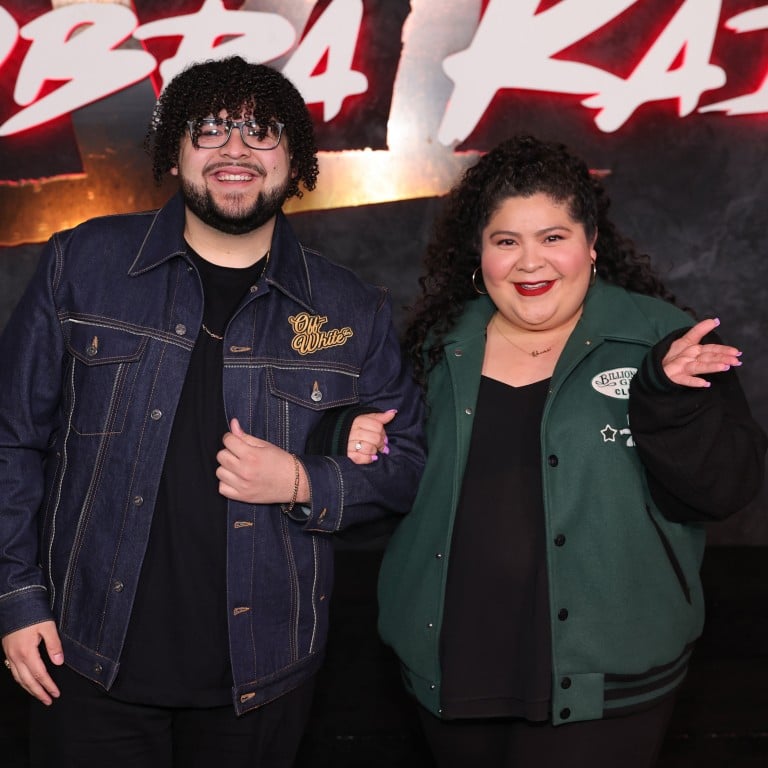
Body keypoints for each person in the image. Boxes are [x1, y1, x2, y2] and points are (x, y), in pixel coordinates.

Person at [0, 56, 424, 768]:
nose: (235, 149)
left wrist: (302, 480)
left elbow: (408, 464)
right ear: (175, 152)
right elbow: (11, 441)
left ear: (296, 159)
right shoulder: (83, 264)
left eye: (261, 132)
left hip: (262, 676)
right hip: (84, 654)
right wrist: (16, 596)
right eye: (210, 130)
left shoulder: (350, 309)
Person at [376, 135, 767, 767]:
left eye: (553, 237)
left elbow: (725, 490)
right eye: (507, 241)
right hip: (453, 671)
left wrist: (667, 399)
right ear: (480, 255)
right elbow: (391, 475)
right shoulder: (434, 345)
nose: (531, 262)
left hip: (606, 687)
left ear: (591, 244)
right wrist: (351, 440)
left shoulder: (662, 340)